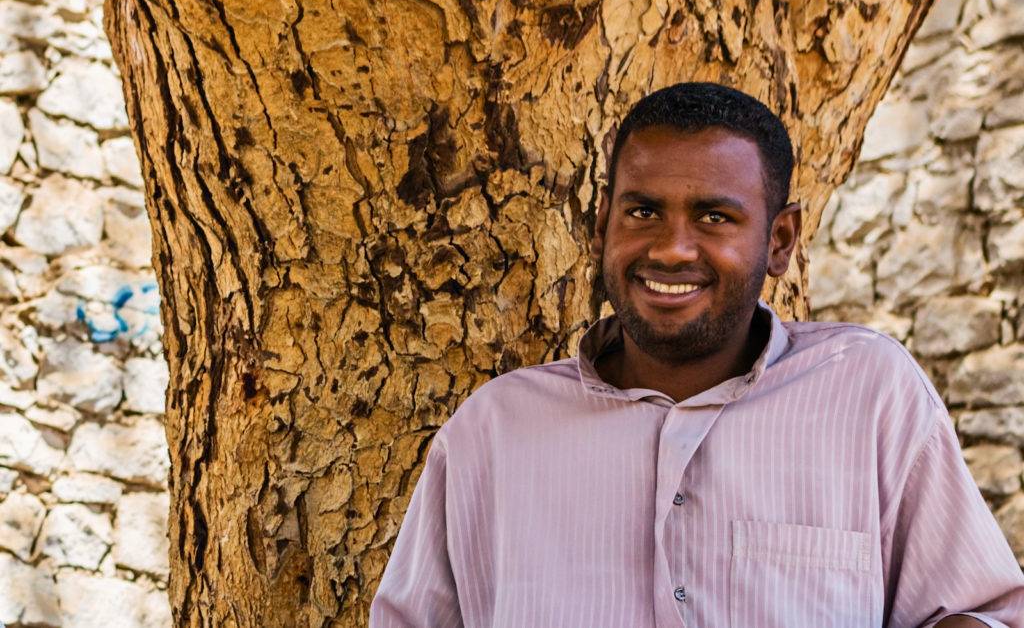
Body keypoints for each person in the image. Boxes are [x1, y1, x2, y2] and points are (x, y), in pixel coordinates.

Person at [369, 83, 1024, 627]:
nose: (672, 249)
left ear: (781, 239)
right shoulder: (494, 431)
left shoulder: (870, 396)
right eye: (643, 211)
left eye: (714, 216)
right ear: (602, 226)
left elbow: (983, 613)